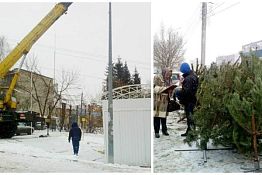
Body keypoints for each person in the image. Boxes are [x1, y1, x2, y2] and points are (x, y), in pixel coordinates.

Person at [175, 62, 198, 137]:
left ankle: (191, 132)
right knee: (190, 116)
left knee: (190, 116)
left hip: (189, 100)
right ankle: (190, 131)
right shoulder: (193, 76)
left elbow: (187, 92)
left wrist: (179, 93)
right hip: (192, 100)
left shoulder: (188, 78)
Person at [154, 68, 173, 138]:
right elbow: (155, 88)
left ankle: (164, 130)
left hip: (165, 101)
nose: (168, 76)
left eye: (169, 75)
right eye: (167, 74)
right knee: (157, 117)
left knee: (163, 116)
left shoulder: (169, 80)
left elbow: (169, 89)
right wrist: (165, 88)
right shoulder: (157, 77)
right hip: (157, 101)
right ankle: (156, 132)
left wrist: (171, 90)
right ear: (164, 73)